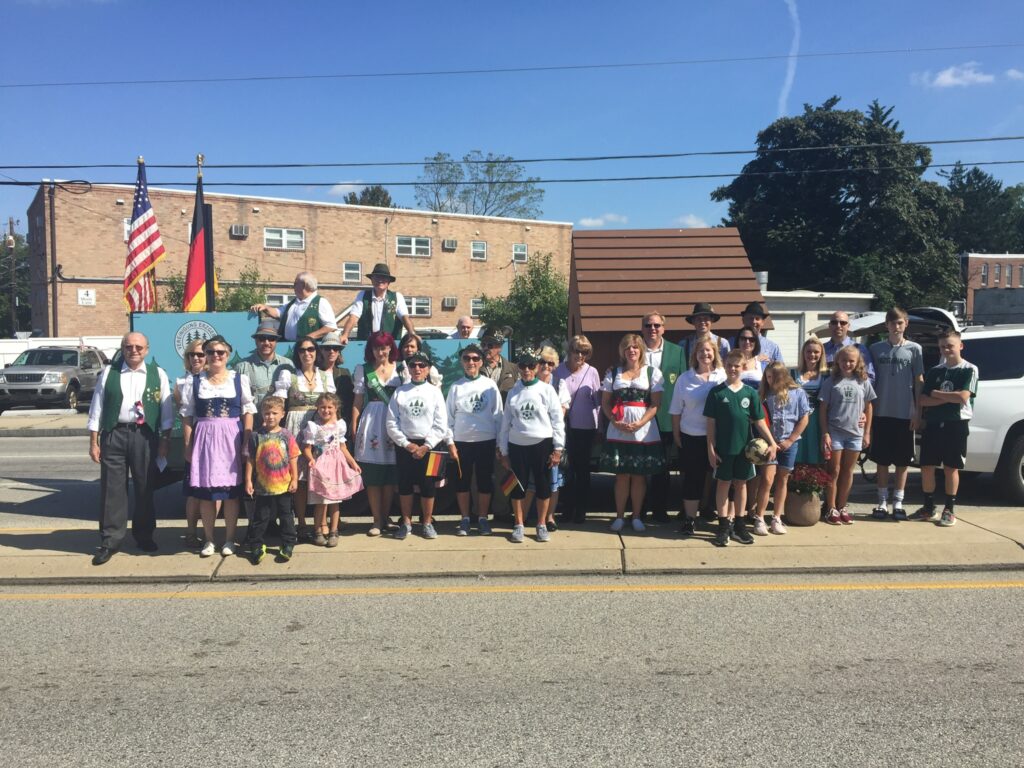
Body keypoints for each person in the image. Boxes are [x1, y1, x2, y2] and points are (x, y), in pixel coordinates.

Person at [86, 332, 173, 565]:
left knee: (145, 487)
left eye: (138, 347)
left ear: (147, 349)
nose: (133, 350)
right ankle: (110, 541)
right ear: (122, 349)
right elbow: (97, 408)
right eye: (128, 346)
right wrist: (94, 441)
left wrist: (165, 440)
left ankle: (144, 536)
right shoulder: (109, 373)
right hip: (114, 433)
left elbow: (166, 412)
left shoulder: (158, 374)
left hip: (145, 436)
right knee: (112, 491)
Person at [180, 335, 256, 557]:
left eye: (220, 352)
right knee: (206, 494)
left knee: (231, 493)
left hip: (231, 438)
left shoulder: (237, 380)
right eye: (210, 352)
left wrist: (245, 442)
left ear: (228, 355)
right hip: (204, 438)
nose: (215, 356)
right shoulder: (195, 382)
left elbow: (248, 411)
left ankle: (230, 539)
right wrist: (188, 444)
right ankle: (209, 540)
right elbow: (187, 416)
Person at [704, 349, 777, 547]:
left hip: (745, 450)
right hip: (724, 449)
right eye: (729, 365)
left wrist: (771, 441)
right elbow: (710, 424)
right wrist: (710, 449)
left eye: (737, 365)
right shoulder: (716, 392)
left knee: (742, 485)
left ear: (743, 367)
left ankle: (739, 524)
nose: (733, 369)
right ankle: (723, 525)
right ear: (724, 367)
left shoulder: (750, 393)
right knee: (723, 484)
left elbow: (759, 421)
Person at [599, 333, 666, 533]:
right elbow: (605, 403)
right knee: (621, 475)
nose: (632, 351)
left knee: (639, 476)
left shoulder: (651, 372)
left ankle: (636, 517)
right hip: (618, 429)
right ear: (623, 351)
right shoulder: (613, 373)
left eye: (635, 347)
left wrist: (640, 423)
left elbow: (656, 405)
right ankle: (619, 517)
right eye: (628, 347)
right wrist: (615, 421)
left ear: (641, 350)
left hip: (643, 430)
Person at [272, 335, 336, 540]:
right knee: (298, 478)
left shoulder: (326, 376)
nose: (307, 353)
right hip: (294, 427)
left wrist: (335, 433)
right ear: (297, 354)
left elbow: (334, 408)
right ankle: (301, 523)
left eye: (311, 349)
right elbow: (279, 405)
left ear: (316, 352)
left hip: (320, 428)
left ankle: (321, 523)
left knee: (321, 475)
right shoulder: (288, 375)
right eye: (302, 350)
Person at [912, 330, 978, 527]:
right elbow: (923, 399)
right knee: (927, 466)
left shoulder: (969, 369)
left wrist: (936, 394)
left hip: (955, 424)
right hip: (933, 424)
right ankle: (928, 506)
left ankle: (949, 509)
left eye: (950, 345)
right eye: (942, 346)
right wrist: (947, 398)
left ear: (960, 345)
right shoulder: (935, 371)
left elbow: (962, 398)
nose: (946, 349)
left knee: (951, 467)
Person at [499, 349, 566, 543]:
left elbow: (557, 421)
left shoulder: (547, 390)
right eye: (523, 366)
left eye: (531, 366)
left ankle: (541, 524)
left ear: (537, 368)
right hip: (517, 445)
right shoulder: (513, 391)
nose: (527, 369)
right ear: (518, 368)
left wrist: (558, 449)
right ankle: (519, 524)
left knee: (543, 486)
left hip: (542, 444)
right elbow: (505, 425)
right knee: (517, 488)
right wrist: (503, 451)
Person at [385, 352, 450, 540]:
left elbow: (441, 423)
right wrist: (406, 444)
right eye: (413, 365)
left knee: (428, 486)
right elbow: (391, 422)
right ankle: (406, 523)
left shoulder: (435, 392)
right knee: (405, 485)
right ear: (409, 368)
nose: (417, 369)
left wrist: (426, 445)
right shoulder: (400, 392)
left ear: (428, 369)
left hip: (431, 446)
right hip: (406, 445)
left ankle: (427, 523)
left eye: (422, 365)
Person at [868, 308, 924, 521]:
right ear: (886, 325)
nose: (896, 326)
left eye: (900, 322)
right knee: (882, 460)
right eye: (892, 323)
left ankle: (898, 502)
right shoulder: (875, 348)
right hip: (881, 412)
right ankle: (881, 501)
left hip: (904, 413)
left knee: (902, 461)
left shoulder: (914, 349)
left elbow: (919, 382)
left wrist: (918, 412)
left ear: (906, 324)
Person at [669, 335, 726, 537]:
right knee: (692, 479)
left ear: (715, 354)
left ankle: (723, 521)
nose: (705, 354)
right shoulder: (685, 379)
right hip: (691, 435)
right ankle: (690, 520)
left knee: (722, 479)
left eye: (709, 350)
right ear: (695, 355)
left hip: (719, 438)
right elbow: (676, 410)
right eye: (701, 351)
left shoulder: (723, 376)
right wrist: (677, 435)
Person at [446, 343, 503, 536]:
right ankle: (464, 519)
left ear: (481, 361)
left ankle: (482, 519)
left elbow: (498, 416)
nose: (471, 362)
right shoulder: (456, 387)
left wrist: (498, 444)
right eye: (467, 358)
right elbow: (449, 418)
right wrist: (450, 443)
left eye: (475, 358)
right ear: (462, 362)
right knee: (462, 482)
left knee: (484, 482)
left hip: (486, 441)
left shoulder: (489, 385)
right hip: (462, 442)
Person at [351, 332, 401, 536]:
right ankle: (376, 520)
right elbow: (357, 401)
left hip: (393, 422)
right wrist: (353, 424)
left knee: (389, 475)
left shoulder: (401, 369)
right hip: (371, 421)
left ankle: (386, 516)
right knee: (372, 475)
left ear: (390, 348)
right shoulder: (363, 370)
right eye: (376, 347)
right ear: (370, 350)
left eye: (384, 347)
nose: (381, 351)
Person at [752, 362, 810, 536]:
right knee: (767, 479)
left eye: (774, 377)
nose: (771, 380)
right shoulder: (763, 394)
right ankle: (759, 517)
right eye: (768, 377)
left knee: (783, 480)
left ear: (783, 376)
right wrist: (771, 442)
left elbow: (804, 419)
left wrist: (791, 440)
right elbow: (759, 420)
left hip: (789, 443)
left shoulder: (798, 393)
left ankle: (777, 517)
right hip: (770, 444)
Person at [821, 346, 876, 525]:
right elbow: (823, 410)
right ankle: (831, 508)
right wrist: (825, 433)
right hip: (835, 431)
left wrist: (867, 432)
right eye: (844, 360)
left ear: (858, 362)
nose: (847, 364)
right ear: (838, 361)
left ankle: (842, 506)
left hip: (855, 433)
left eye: (851, 361)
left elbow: (868, 407)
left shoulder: (863, 381)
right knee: (834, 471)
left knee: (848, 471)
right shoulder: (831, 381)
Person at [243, 396, 300, 564]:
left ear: (282, 414)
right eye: (267, 413)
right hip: (262, 486)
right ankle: (256, 544)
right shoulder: (255, 436)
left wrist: (295, 478)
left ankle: (288, 543)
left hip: (283, 485)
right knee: (261, 517)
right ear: (261, 414)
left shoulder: (286, 435)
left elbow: (293, 458)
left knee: (286, 516)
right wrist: (248, 480)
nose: (270, 416)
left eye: (274, 413)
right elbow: (250, 460)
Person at [640, 311, 685, 523]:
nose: (652, 329)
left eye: (657, 325)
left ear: (663, 328)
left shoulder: (677, 352)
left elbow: (683, 386)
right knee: (640, 467)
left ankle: (659, 510)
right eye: (648, 325)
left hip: (667, 418)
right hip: (639, 417)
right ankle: (638, 510)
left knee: (662, 468)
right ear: (643, 328)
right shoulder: (634, 349)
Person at [553, 334, 602, 525]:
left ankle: (581, 510)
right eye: (576, 351)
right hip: (564, 428)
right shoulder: (558, 371)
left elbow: (598, 402)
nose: (580, 356)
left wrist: (599, 429)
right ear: (569, 351)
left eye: (584, 352)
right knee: (566, 470)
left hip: (585, 427)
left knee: (582, 470)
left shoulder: (592, 372)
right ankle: (566, 508)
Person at [303, 392, 363, 547]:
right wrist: (311, 459)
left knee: (335, 501)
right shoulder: (314, 427)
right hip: (321, 467)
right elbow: (307, 448)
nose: (326, 410)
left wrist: (352, 462)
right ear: (317, 408)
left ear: (336, 408)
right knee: (321, 501)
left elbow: (342, 447)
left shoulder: (340, 426)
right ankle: (317, 531)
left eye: (330, 407)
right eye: (322, 407)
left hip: (336, 466)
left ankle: (334, 531)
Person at [525, 346, 570, 531]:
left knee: (552, 480)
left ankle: (549, 518)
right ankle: (524, 516)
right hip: (531, 438)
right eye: (542, 362)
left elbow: (560, 414)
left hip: (552, 439)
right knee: (530, 481)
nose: (546, 366)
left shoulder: (560, 384)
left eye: (550, 363)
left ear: (555, 365)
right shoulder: (528, 383)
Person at [175, 339, 207, 549]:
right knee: (194, 490)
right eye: (191, 355)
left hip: (215, 440)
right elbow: (185, 416)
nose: (196, 358)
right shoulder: (180, 383)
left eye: (200, 355)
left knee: (214, 489)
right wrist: (188, 445)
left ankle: (209, 532)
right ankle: (191, 531)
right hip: (195, 438)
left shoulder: (215, 379)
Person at [338, 263, 417, 345]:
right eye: (377, 277)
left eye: (383, 277)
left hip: (390, 346)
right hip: (367, 345)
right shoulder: (362, 295)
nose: (380, 280)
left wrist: (412, 334)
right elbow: (353, 317)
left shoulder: (397, 297)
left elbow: (404, 317)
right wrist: (345, 335)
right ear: (372, 280)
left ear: (389, 281)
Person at [250, 272, 337, 342]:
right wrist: (265, 307)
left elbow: (331, 326)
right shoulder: (293, 303)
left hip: (309, 349)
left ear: (304, 285)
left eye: (295, 283)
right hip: (287, 346)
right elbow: (277, 313)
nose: (293, 286)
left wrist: (309, 337)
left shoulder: (321, 302)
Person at [233, 317, 295, 407]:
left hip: (281, 420)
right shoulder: (242, 366)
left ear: (276, 341)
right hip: (253, 419)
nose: (266, 342)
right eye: (262, 338)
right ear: (255, 340)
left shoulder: (287, 365)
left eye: (271, 338)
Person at [794, 337, 829, 466]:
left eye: (816, 352)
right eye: (808, 351)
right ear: (803, 353)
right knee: (797, 456)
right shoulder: (793, 374)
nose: (812, 355)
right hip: (797, 421)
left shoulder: (827, 375)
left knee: (816, 456)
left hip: (818, 420)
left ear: (821, 354)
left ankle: (814, 484)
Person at [316, 331, 354, 434]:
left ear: (339, 352)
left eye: (335, 348)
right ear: (321, 351)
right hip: (320, 423)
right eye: (327, 348)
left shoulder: (345, 373)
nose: (331, 351)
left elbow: (351, 400)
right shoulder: (315, 372)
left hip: (342, 422)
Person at [823, 310, 875, 382]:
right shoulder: (821, 350)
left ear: (848, 326)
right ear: (829, 325)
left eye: (843, 323)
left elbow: (870, 377)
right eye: (834, 322)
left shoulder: (859, 349)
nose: (838, 326)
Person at [481, 332, 517, 400]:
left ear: (499, 348)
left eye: (490, 345)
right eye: (483, 345)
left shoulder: (513, 368)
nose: (485, 348)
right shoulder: (476, 369)